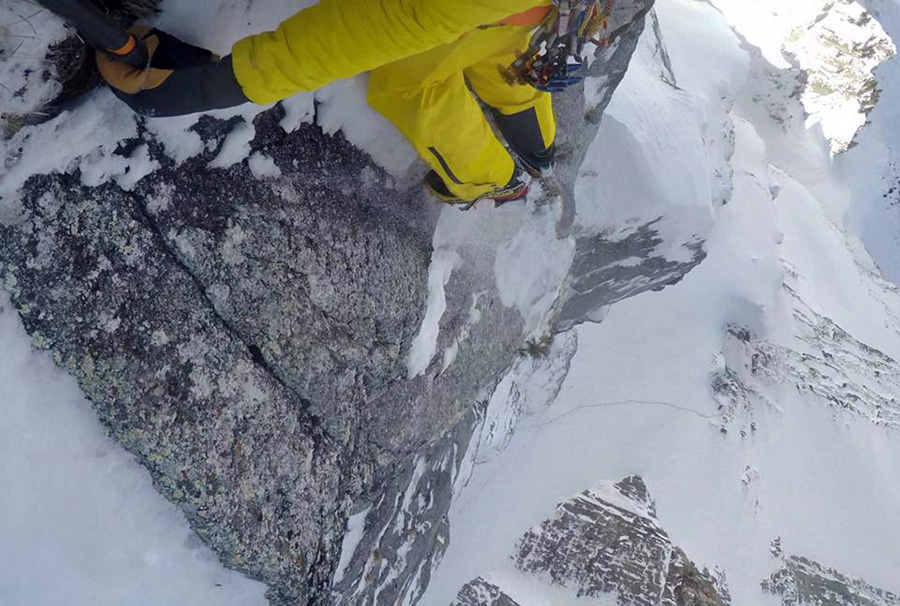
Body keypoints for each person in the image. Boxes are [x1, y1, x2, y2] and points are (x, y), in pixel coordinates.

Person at [98, 0, 560, 205]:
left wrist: (198, 88)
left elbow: (340, 40)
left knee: (415, 86)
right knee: (507, 58)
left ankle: (491, 177)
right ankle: (538, 146)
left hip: (468, 15)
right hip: (516, 14)